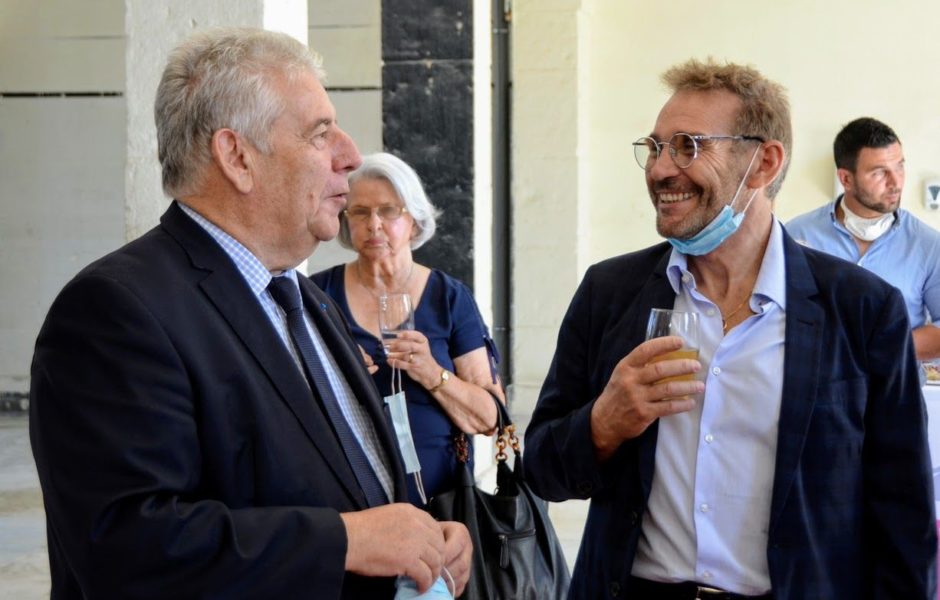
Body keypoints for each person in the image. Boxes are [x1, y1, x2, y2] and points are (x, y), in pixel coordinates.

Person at [29, 27, 470, 599]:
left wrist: (421, 531)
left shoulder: (304, 296)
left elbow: (347, 476)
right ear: (237, 156)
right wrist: (347, 541)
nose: (350, 156)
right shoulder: (114, 311)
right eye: (320, 133)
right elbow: (126, 546)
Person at [523, 58, 937, 599]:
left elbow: (903, 513)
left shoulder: (862, 309)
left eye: (688, 146)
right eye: (654, 147)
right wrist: (604, 422)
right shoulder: (610, 293)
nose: (659, 170)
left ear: (763, 163)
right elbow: (542, 469)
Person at [312, 152, 504, 507]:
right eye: (360, 212)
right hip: (351, 506)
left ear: (414, 221)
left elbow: (490, 418)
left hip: (440, 506)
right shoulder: (318, 296)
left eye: (388, 211)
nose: (374, 225)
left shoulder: (449, 298)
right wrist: (336, 376)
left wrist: (432, 373)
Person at [787, 117, 940, 365]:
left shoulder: (930, 245)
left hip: (894, 392)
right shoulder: (797, 235)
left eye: (900, 166)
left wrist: (877, 348)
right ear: (845, 179)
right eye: (879, 172)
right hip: (818, 389)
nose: (896, 182)